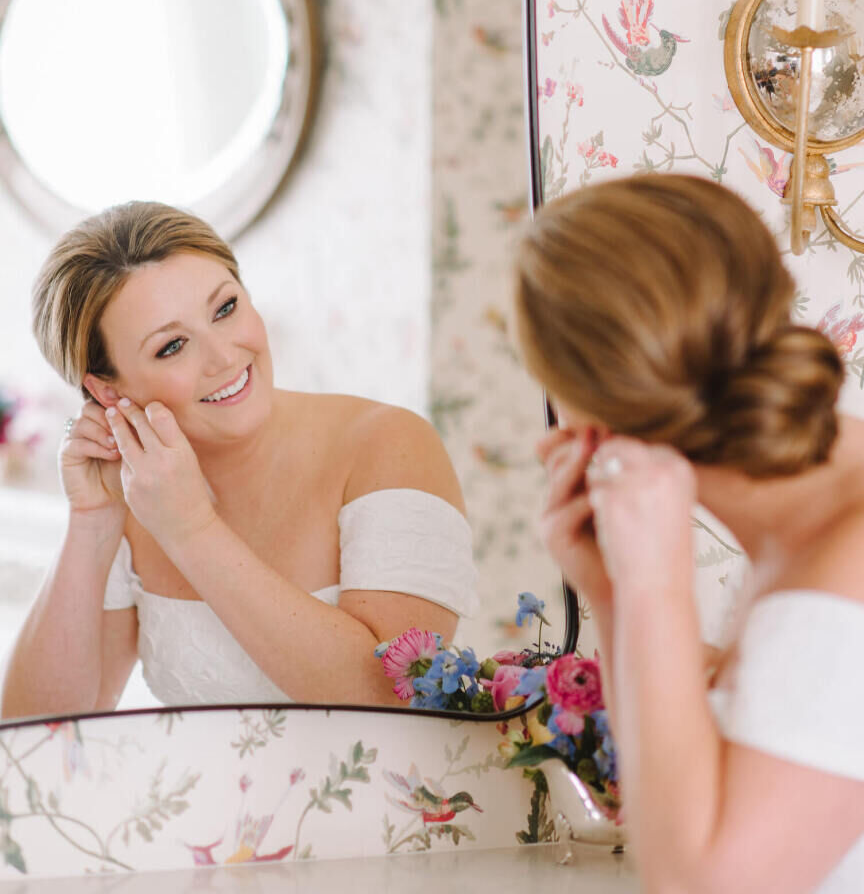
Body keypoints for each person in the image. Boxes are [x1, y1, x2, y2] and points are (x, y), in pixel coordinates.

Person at [513, 172, 864, 894]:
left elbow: (701, 885)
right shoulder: (812, 529)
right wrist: (611, 594)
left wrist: (654, 587)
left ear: (588, 417)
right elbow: (685, 814)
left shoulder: (839, 572)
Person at [2, 202, 477, 717]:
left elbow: (391, 696)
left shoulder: (388, 445)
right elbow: (36, 736)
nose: (225, 356)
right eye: (173, 345)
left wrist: (190, 530)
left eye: (225, 309)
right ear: (106, 389)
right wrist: (92, 521)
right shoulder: (134, 492)